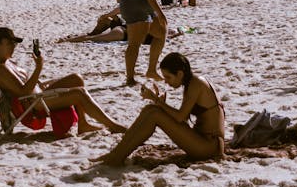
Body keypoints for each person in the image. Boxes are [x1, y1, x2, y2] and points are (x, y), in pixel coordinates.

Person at [0, 27, 127, 134]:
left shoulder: (7, 62)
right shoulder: (1, 69)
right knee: (79, 93)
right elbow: (23, 92)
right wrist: (38, 67)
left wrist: (42, 82)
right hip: (36, 103)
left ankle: (83, 124)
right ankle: (113, 125)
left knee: (76, 78)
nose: (13, 47)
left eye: (14, 44)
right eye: (9, 43)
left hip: (39, 94)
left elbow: (27, 84)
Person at [93, 51, 225, 167]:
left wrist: (157, 101)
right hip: (203, 141)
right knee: (151, 110)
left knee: (154, 113)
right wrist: (160, 104)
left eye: (168, 77)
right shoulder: (192, 82)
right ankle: (116, 154)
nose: (166, 82)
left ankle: (117, 157)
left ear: (179, 74)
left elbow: (179, 117)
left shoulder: (195, 84)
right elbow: (182, 118)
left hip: (209, 147)